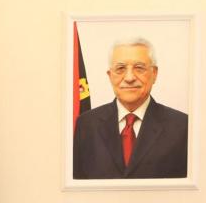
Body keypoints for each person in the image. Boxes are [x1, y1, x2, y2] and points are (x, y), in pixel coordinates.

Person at [73, 37, 188, 179]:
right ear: (110, 76)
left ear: (154, 74)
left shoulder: (182, 127)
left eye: (139, 68)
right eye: (120, 69)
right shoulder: (86, 125)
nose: (129, 78)